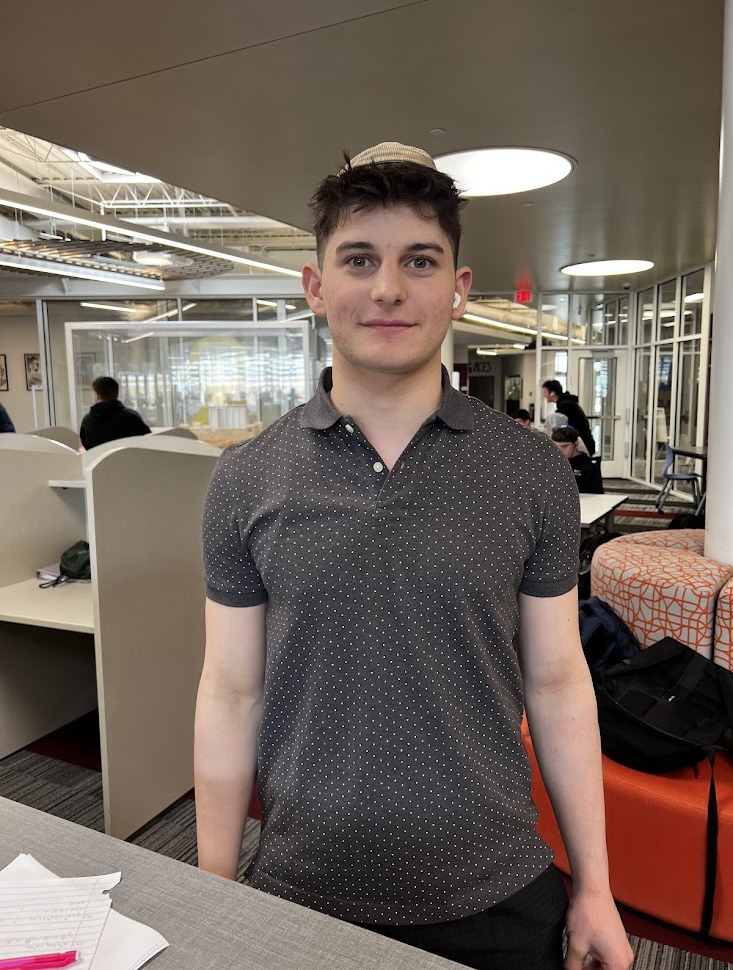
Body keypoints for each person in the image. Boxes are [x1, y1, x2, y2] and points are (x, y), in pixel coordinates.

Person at [196, 142, 632, 970]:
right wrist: (213, 892)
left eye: (419, 260)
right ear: (314, 285)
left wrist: (597, 887)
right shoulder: (245, 477)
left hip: (495, 889)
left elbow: (556, 682)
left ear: (457, 288)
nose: (388, 288)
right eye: (359, 258)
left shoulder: (529, 468)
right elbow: (229, 690)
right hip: (300, 887)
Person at [79, 376, 151, 450]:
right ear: (116, 394)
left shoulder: (87, 421)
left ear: (97, 396)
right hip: (130, 457)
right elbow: (147, 441)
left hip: (98, 457)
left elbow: (87, 446)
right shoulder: (132, 418)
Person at [542, 379, 596, 457]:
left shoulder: (565, 406)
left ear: (552, 393)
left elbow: (560, 431)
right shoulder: (566, 403)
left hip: (582, 445)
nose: (543, 395)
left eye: (545, 392)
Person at [552, 427, 604, 494]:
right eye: (556, 447)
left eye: (564, 446)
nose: (560, 450)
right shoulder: (553, 463)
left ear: (575, 444)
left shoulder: (589, 466)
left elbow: (596, 492)